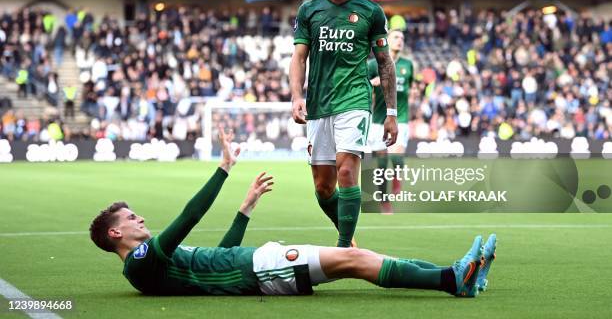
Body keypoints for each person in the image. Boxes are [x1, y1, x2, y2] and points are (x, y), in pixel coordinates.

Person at [90, 127, 497, 297]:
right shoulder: (140, 264)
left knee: (361, 258)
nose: (139, 219)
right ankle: (452, 280)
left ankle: (458, 275)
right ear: (115, 234)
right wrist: (223, 169)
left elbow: (216, 260)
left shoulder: (151, 264)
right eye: (130, 218)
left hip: (259, 265)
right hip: (264, 270)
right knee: (356, 258)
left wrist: (244, 211)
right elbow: (188, 218)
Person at [289, 0, 398, 247]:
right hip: (319, 104)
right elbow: (298, 58)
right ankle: (349, 240)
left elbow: (385, 63)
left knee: (347, 170)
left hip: (355, 100)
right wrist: (297, 97)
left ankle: (342, 248)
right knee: (324, 187)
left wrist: (390, 113)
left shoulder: (370, 12)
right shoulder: (309, 11)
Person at [367, 29, 414, 213]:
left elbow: (408, 88)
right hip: (378, 120)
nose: (399, 40)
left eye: (402, 38)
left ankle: (397, 180)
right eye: (396, 37)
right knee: (381, 162)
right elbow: (359, 83)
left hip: (400, 118)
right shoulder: (373, 65)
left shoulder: (407, 65)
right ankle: (384, 201)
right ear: (386, 41)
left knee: (396, 155)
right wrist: (373, 83)